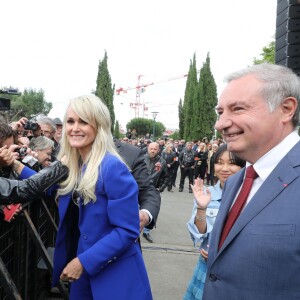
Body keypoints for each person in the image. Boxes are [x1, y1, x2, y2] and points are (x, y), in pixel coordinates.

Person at [203, 63, 300, 300]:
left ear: (286, 109)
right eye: (220, 112)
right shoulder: (236, 181)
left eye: (237, 109)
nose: (221, 124)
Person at [51, 95, 152, 299]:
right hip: (85, 276)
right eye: (70, 121)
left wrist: (83, 262)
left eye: (84, 121)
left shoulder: (112, 167)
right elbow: (46, 187)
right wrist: (15, 165)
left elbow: (127, 230)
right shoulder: (75, 165)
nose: (75, 128)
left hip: (115, 277)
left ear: (99, 127)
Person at [183, 144, 245, 300]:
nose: (224, 168)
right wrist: (201, 208)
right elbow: (198, 234)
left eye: (232, 163)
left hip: (238, 273)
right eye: (219, 162)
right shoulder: (206, 193)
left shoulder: (250, 196)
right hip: (207, 270)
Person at [114, 138, 161, 232]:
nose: (75, 128)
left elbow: (146, 189)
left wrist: (146, 213)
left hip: (116, 233)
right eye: (74, 122)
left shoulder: (131, 153)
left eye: (83, 122)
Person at [143, 142, 169, 243]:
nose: (152, 150)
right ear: (147, 148)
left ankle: (146, 231)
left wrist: (161, 188)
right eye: (151, 148)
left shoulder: (162, 161)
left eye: (155, 149)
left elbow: (167, 177)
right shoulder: (141, 158)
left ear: (158, 150)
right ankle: (134, 231)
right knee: (135, 211)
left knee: (152, 212)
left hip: (153, 190)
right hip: (140, 189)